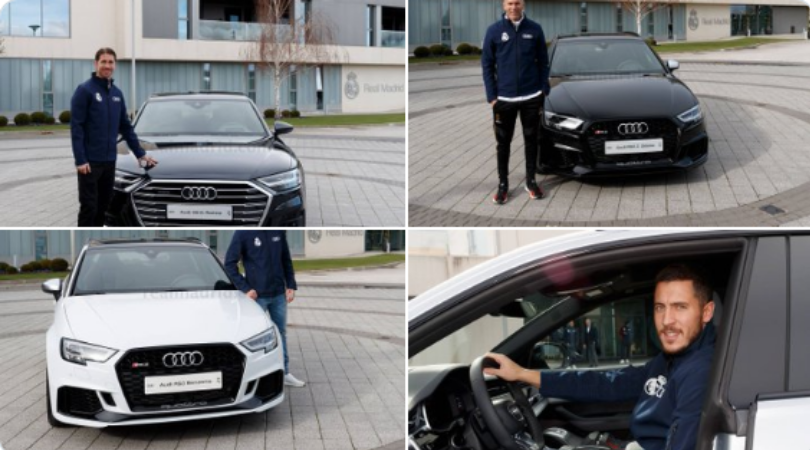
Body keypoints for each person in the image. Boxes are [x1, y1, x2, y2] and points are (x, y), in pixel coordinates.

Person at [484, 264, 716, 450]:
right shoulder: (669, 360)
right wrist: (522, 373)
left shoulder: (700, 371)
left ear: (706, 312)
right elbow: (608, 382)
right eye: (659, 307)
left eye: (680, 307)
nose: (666, 321)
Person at [70, 47, 157, 227]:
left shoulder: (117, 94)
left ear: (115, 65)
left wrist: (140, 154)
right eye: (103, 62)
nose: (107, 66)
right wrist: (80, 160)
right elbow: (76, 127)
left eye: (110, 62)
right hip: (89, 164)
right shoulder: (84, 90)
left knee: (103, 208)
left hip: (110, 161)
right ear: (96, 64)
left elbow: (126, 127)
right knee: (89, 208)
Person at [482, 0, 550, 204]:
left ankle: (531, 181)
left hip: (531, 98)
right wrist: (492, 97)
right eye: (510, 3)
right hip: (504, 99)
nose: (514, 7)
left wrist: (542, 90)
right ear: (504, 5)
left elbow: (543, 62)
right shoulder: (494, 31)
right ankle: (503, 185)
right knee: (503, 144)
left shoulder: (535, 29)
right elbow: (487, 64)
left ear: (523, 5)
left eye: (517, 3)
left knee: (532, 141)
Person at [224, 231, 306, 387]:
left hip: (278, 295)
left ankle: (285, 372)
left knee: (280, 333)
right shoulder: (243, 234)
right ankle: (258, 377)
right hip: (257, 297)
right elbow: (229, 264)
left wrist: (290, 285)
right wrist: (246, 288)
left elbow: (285, 260)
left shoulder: (278, 231)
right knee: (256, 338)